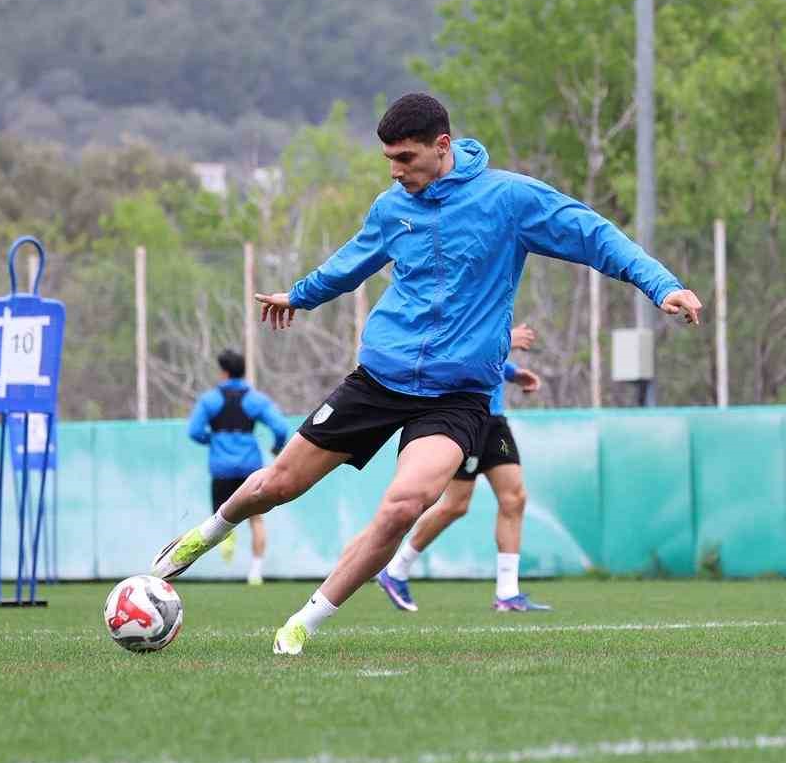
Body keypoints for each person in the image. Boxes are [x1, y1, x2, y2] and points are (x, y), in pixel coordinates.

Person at [149, 92, 702, 655]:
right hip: (378, 381)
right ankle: (207, 534)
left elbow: (595, 235)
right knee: (279, 485)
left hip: (457, 399)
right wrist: (300, 295)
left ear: (442, 146)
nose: (395, 171)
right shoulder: (392, 207)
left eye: (405, 158)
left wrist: (662, 286)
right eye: (388, 159)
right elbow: (352, 261)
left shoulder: (509, 199)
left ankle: (301, 625)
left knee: (404, 505)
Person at [376, 322, 551, 612]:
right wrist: (508, 339)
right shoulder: (457, 310)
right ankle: (396, 569)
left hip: (495, 422)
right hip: (467, 417)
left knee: (514, 498)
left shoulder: (493, 311)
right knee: (455, 505)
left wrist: (512, 373)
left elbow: (486, 356)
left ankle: (508, 593)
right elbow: (459, 349)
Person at [185, 349, 290, 585]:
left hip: (221, 467)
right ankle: (256, 572)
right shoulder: (255, 399)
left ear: (223, 373)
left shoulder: (210, 400)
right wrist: (277, 446)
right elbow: (281, 427)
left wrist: (211, 440)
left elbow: (194, 431)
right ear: (242, 372)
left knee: (220, 516)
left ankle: (227, 535)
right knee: (256, 519)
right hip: (250, 467)